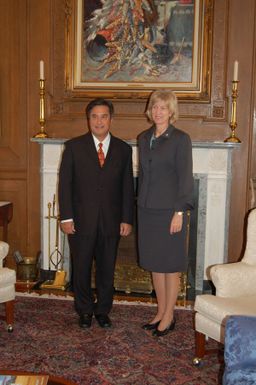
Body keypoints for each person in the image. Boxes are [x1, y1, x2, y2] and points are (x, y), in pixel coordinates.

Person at [58, 98, 134, 329]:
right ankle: (84, 310)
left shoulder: (123, 149)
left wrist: (127, 219)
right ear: (88, 119)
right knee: (80, 267)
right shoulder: (73, 146)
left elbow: (127, 187)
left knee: (106, 268)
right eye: (94, 116)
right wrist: (66, 217)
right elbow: (65, 184)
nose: (99, 121)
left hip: (111, 221)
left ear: (111, 119)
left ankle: (103, 310)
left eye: (104, 116)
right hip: (80, 221)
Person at [137, 89, 194, 337]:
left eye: (163, 107)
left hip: (171, 211)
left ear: (171, 112)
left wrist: (179, 212)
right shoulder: (143, 137)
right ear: (150, 110)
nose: (158, 111)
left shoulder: (181, 139)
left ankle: (170, 315)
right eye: (155, 107)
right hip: (146, 210)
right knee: (155, 265)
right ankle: (160, 311)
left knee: (170, 266)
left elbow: (185, 178)